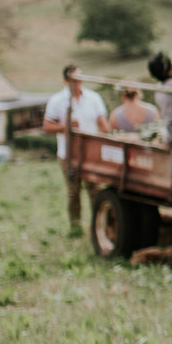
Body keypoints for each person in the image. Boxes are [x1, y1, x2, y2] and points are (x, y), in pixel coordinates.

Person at [41, 64, 107, 232]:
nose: (78, 83)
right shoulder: (57, 100)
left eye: (79, 79)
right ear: (65, 80)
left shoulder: (94, 98)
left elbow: (103, 125)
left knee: (95, 191)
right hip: (68, 154)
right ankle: (76, 226)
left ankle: (98, 225)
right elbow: (47, 127)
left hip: (91, 154)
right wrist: (65, 127)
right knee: (73, 192)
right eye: (73, 80)